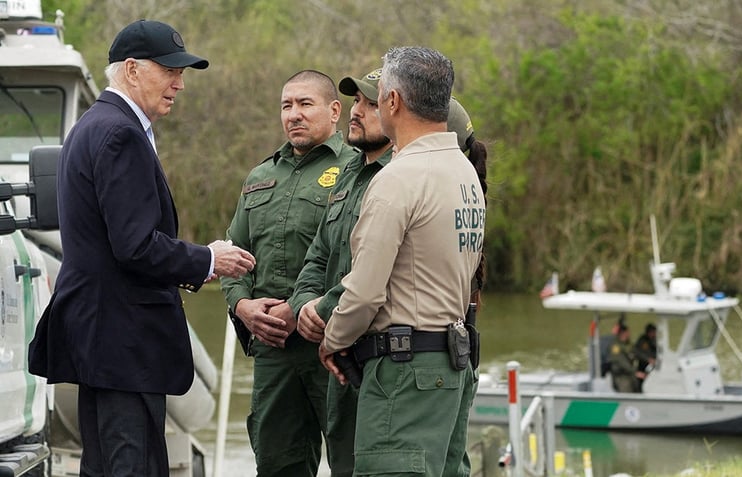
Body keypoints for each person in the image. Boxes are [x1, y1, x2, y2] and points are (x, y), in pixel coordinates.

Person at [26, 20, 256, 476]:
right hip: (121, 343)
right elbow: (134, 247)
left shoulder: (93, 126)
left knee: (107, 466)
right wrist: (210, 258)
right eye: (169, 70)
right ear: (131, 70)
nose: (180, 83)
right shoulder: (120, 134)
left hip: (100, 342)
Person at [290, 66, 488, 475]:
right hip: (434, 361)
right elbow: (322, 255)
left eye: (372, 99)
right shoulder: (462, 175)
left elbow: (364, 289)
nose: (360, 109)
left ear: (394, 103)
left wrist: (332, 336)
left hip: (399, 366)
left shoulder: (400, 178)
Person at [221, 69, 357, 476]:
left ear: (334, 111)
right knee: (278, 464)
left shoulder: (358, 169)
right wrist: (242, 305)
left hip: (333, 346)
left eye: (305, 104)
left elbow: (362, 260)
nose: (293, 114)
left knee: (351, 461)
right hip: (273, 351)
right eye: (286, 106)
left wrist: (301, 311)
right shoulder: (261, 177)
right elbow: (233, 255)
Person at [607, 324, 646, 393]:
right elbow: (622, 362)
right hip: (622, 376)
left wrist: (649, 359)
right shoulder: (615, 347)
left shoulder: (627, 344)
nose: (629, 334)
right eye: (627, 332)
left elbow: (636, 352)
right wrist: (635, 372)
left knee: (638, 389)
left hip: (630, 373)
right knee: (627, 393)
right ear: (622, 333)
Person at [634, 323, 657, 391]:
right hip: (643, 365)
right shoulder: (642, 340)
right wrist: (648, 359)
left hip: (653, 366)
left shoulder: (655, 340)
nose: (654, 334)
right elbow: (637, 352)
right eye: (652, 332)